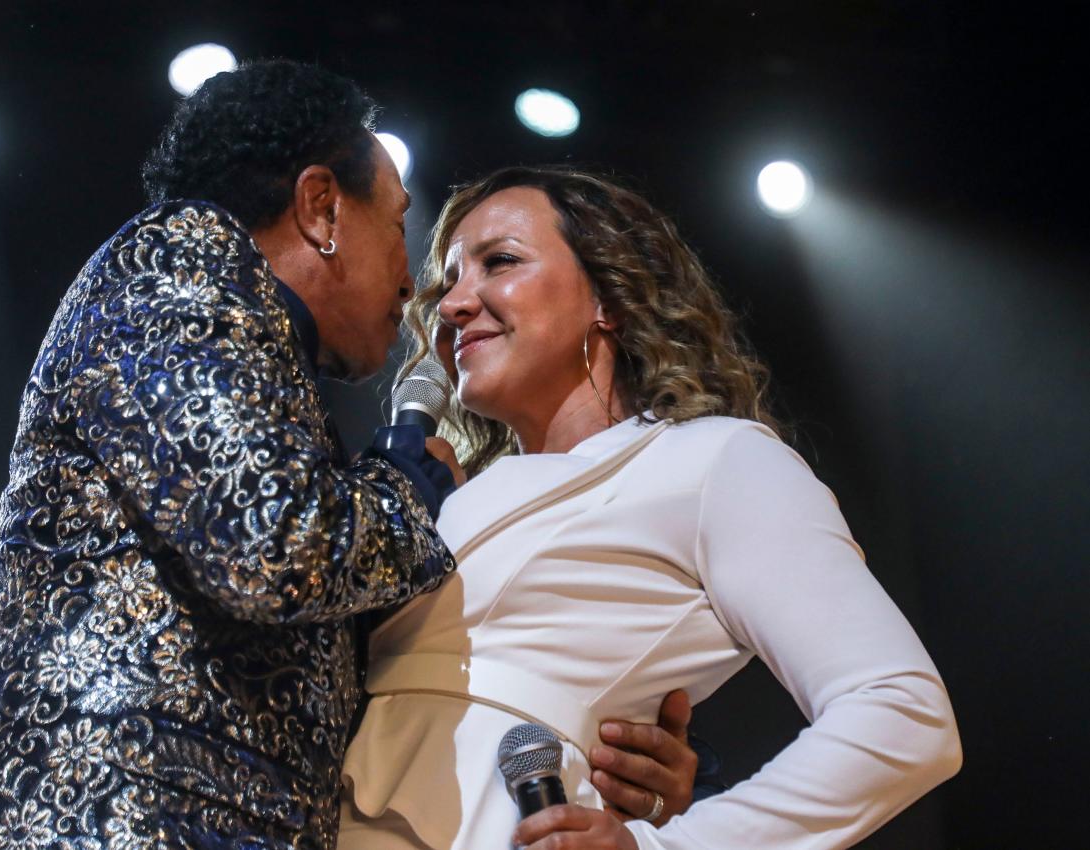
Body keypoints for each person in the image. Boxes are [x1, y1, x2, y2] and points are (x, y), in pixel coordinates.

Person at [0, 62, 698, 850]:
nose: (417, 289)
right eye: (398, 224)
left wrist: (592, 743)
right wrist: (410, 480)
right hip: (90, 816)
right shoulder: (175, 259)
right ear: (320, 208)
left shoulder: (268, 377)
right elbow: (275, 549)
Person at [337, 166, 963, 850]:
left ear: (609, 295)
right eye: (450, 279)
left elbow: (902, 713)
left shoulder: (715, 461)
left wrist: (665, 844)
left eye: (499, 263)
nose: (454, 304)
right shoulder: (444, 497)